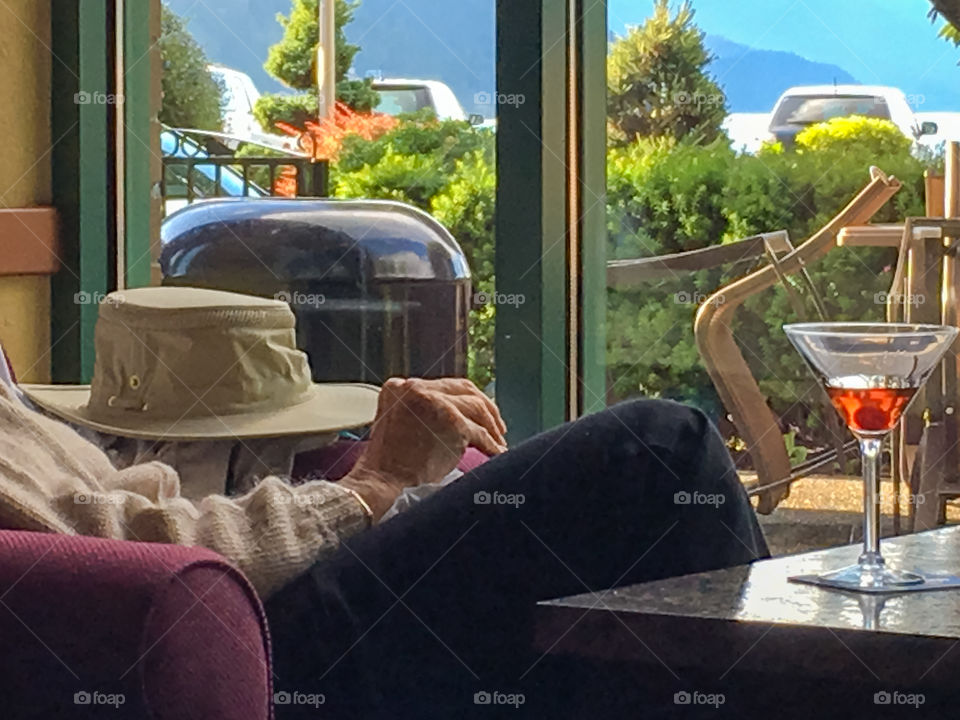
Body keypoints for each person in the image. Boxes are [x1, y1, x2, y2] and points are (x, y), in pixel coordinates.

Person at [3, 287, 768, 718]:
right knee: (657, 452)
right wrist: (366, 488)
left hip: (237, 596)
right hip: (241, 637)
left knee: (606, 550)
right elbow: (111, 542)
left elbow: (100, 497)